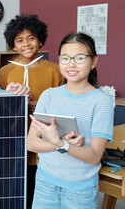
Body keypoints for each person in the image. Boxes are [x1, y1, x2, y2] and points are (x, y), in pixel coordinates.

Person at [26, 32, 114, 208]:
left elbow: (94, 157)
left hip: (80, 192)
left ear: (94, 61)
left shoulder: (102, 102)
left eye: (80, 58)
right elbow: (31, 143)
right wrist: (59, 143)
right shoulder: (48, 95)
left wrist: (61, 144)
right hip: (45, 183)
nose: (71, 64)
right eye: (65, 58)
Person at [0, 14, 64, 208]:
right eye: (19, 40)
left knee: (42, 192)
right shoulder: (5, 72)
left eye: (31, 38)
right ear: (12, 45)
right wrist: (16, 104)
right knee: (16, 192)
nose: (26, 43)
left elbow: (62, 103)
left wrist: (40, 107)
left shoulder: (56, 71)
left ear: (41, 40)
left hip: (45, 144)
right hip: (14, 141)